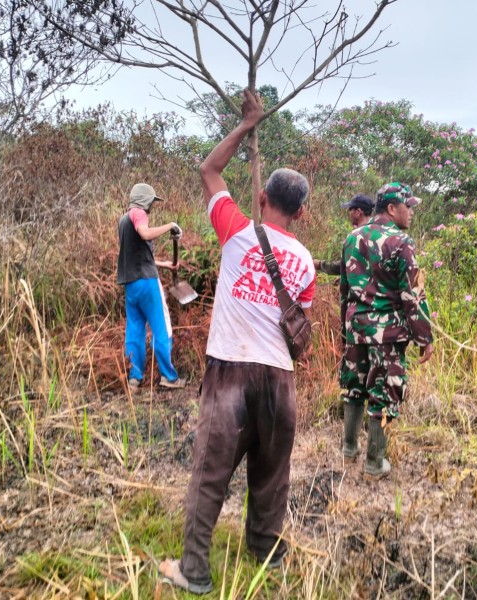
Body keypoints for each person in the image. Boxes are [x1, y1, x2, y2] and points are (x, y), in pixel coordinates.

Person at [158, 90, 315, 594]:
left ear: (262, 200)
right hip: (280, 380)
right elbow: (298, 333)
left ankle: (195, 573)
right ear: (302, 212)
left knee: (210, 475)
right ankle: (265, 556)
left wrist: (247, 124)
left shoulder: (237, 231)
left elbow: (209, 169)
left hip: (230, 374)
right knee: (271, 476)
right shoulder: (307, 262)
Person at [339, 182, 434, 479]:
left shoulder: (352, 237)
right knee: (384, 393)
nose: (412, 213)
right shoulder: (402, 242)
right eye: (409, 207)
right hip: (387, 334)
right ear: (393, 209)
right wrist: (424, 338)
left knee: (354, 385)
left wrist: (347, 329)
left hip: (356, 326)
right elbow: (411, 294)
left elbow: (344, 290)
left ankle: (349, 449)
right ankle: (375, 462)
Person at [116, 182, 186, 390]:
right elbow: (145, 234)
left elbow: (137, 254)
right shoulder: (138, 213)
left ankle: (134, 378)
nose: (151, 207)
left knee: (135, 329)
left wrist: (164, 264)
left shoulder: (123, 221)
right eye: (151, 202)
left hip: (131, 285)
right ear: (145, 200)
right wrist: (170, 226)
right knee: (161, 327)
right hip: (147, 284)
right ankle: (168, 377)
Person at [313, 193, 374, 276]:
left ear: (358, 212)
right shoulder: (383, 232)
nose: (349, 213)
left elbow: (343, 266)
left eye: (350, 210)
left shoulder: (355, 236)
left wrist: (320, 264)